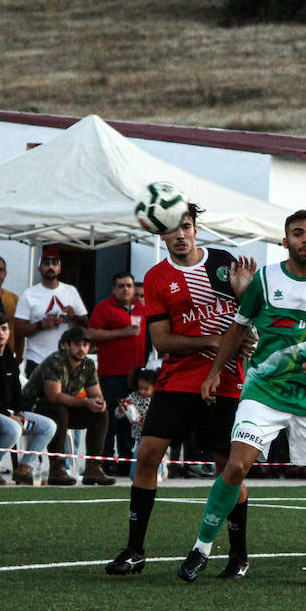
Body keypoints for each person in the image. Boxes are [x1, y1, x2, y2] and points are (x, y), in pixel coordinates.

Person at [179, 208, 306, 588]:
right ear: (286, 241)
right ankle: (201, 548)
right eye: (298, 233)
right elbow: (237, 328)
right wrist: (215, 372)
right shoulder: (265, 279)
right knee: (236, 466)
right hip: (263, 391)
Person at [104, 206, 256, 578]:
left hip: (227, 379)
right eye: (172, 230)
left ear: (196, 228)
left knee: (228, 468)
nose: (180, 235)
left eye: (186, 227)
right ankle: (135, 550)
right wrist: (216, 340)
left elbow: (251, 319)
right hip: (178, 378)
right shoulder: (156, 278)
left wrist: (247, 310)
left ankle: (238, 556)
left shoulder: (223, 262)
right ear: (162, 236)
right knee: (148, 454)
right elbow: (160, 341)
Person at [22, 326, 114, 487]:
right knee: (59, 409)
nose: (82, 349)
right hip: (35, 407)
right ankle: (57, 468)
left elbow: (95, 393)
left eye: (85, 345)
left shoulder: (88, 364)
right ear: (66, 345)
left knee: (100, 413)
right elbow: (54, 396)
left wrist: (99, 402)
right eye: (77, 344)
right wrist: (86, 402)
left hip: (62, 408)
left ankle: (93, 468)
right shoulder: (56, 361)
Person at [0, 311, 56, 486]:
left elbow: (17, 390)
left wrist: (20, 411)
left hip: (10, 412)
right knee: (14, 428)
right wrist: (9, 415)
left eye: (4, 329)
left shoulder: (9, 355)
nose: (0, 333)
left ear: (9, 332)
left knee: (48, 426)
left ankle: (24, 469)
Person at [87, 271, 147, 474]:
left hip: (135, 375)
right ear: (113, 289)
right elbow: (92, 334)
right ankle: (105, 461)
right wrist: (121, 332)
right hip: (112, 373)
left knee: (131, 418)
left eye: (129, 285)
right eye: (121, 286)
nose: (126, 289)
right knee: (110, 419)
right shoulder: (104, 308)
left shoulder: (141, 309)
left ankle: (125, 461)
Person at [15, 248, 88, 376]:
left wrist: (73, 316)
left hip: (67, 360)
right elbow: (18, 329)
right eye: (46, 263)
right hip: (37, 361)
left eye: (54, 263)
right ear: (39, 268)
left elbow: (86, 326)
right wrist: (41, 325)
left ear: (59, 269)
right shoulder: (29, 294)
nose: (50, 266)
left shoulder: (71, 291)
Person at [115, 367, 157, 477]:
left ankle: (157, 474)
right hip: (139, 436)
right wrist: (121, 409)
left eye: (146, 388)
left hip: (153, 435)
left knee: (154, 457)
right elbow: (120, 414)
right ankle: (135, 476)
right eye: (140, 388)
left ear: (154, 387)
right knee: (138, 457)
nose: (142, 391)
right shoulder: (134, 396)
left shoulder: (157, 399)